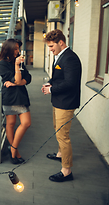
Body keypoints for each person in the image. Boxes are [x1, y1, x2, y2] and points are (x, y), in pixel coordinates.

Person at [41, 29, 82, 182]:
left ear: (61, 43)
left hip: (66, 102)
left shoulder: (70, 59)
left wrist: (51, 89)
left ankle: (66, 171)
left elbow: (70, 83)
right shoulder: (59, 56)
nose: (50, 50)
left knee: (62, 136)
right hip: (59, 101)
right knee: (57, 130)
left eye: (51, 46)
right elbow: (58, 77)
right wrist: (49, 83)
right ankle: (60, 154)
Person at [0, 39, 31, 164]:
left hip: (21, 96)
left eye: (18, 48)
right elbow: (16, 79)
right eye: (15, 48)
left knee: (26, 123)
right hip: (10, 97)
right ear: (9, 49)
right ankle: (15, 153)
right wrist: (17, 67)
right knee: (10, 124)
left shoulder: (19, 62)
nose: (17, 51)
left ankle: (13, 148)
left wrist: (19, 83)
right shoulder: (2, 63)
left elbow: (27, 77)